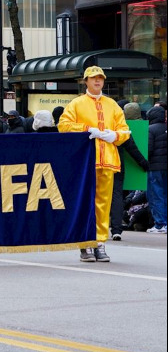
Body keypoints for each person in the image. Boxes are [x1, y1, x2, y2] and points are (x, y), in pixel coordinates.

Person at [59, 66, 130, 263]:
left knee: (103, 203)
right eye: (93, 78)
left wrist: (113, 135)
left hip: (107, 160)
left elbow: (124, 130)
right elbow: (63, 125)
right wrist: (87, 129)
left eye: (100, 78)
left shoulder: (112, 105)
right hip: (84, 161)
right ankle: (85, 244)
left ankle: (99, 242)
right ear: (86, 81)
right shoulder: (76, 104)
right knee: (85, 201)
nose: (97, 81)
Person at [109, 103, 150, 240]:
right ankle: (116, 229)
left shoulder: (96, 125)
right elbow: (131, 146)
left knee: (97, 195)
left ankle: (98, 225)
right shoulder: (120, 126)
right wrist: (143, 163)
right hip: (116, 164)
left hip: (98, 164)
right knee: (117, 196)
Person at [146, 105, 166, 233]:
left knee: (156, 195)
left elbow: (148, 149)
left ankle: (160, 224)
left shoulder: (150, 129)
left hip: (155, 167)